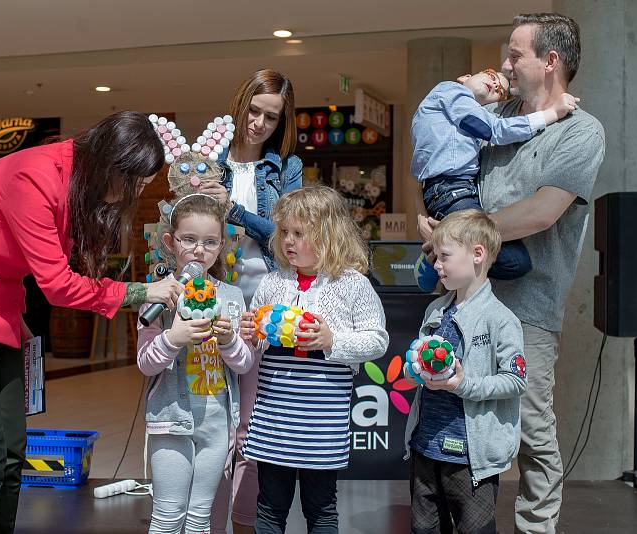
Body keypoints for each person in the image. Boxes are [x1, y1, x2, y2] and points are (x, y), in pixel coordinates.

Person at [0, 111, 184, 534]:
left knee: (11, 452)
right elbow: (58, 285)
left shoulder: (75, 179)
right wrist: (138, 291)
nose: (132, 193)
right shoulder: (34, 177)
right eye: (132, 183)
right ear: (111, 164)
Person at [417, 12, 605, 534]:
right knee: (448, 418)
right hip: (460, 302)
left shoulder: (582, 132)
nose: (503, 65)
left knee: (531, 430)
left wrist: (458, 232)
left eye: (515, 54)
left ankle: (535, 529)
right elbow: (442, 162)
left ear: (550, 62)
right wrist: (431, 216)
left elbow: (544, 211)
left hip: (527, 307)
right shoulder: (490, 112)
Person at [239, 185, 389, 533]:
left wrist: (331, 340)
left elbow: (377, 340)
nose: (288, 241)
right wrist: (251, 332)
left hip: (320, 424)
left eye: (298, 233)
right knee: (270, 507)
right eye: (284, 232)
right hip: (274, 419)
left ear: (327, 235)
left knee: (320, 508)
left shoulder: (352, 284)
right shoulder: (272, 283)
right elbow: (255, 345)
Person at [205, 69, 303, 534]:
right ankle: (202, 518)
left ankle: (245, 522)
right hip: (213, 297)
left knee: (252, 424)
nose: (259, 123)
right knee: (209, 417)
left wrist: (235, 213)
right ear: (240, 102)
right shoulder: (208, 161)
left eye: (272, 117)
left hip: (266, 303)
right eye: (255, 110)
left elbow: (288, 236)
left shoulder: (286, 169)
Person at [404, 210, 527, 534]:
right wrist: (414, 370)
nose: (436, 265)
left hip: (471, 458)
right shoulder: (435, 310)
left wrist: (463, 383)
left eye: (444, 256)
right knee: (424, 528)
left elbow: (515, 380)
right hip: (425, 447)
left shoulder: (501, 319)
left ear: (477, 254)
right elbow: (417, 368)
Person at [137, 192, 253, 534]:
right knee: (168, 516)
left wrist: (230, 340)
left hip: (217, 426)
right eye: (189, 240)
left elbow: (244, 365)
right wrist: (174, 338)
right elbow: (146, 363)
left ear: (221, 247)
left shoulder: (231, 296)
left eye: (209, 242)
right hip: (170, 420)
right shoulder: (158, 295)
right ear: (171, 243)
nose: (199, 250)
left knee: (201, 518)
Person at [412, 67, 578, 292]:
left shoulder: (454, 123)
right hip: (452, 191)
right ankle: (440, 252)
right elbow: (494, 129)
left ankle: (443, 251)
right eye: (491, 75)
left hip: (453, 191)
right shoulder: (450, 91)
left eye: (500, 92)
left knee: (507, 259)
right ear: (464, 78)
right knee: (515, 261)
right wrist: (552, 113)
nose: (495, 85)